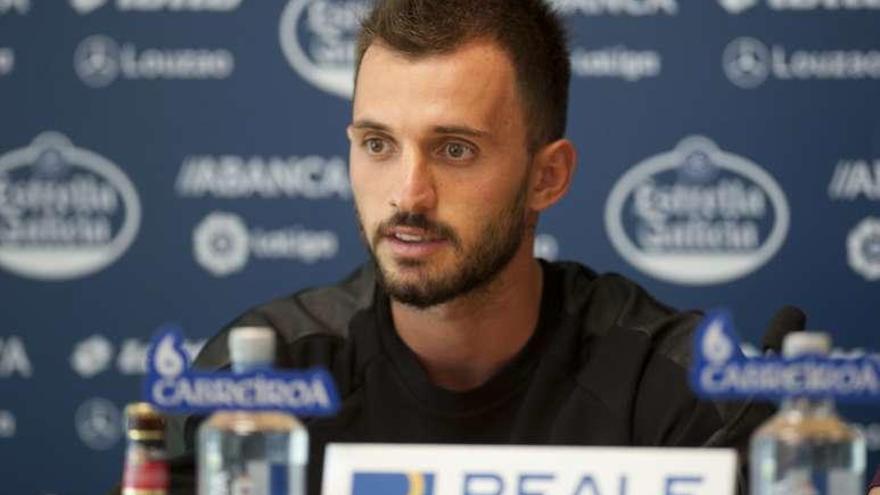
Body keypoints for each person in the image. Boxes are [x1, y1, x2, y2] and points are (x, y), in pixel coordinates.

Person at [153, 1, 781, 494]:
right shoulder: (263, 378)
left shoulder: (669, 383)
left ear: (547, 177)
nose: (408, 194)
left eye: (455, 149)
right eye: (377, 144)